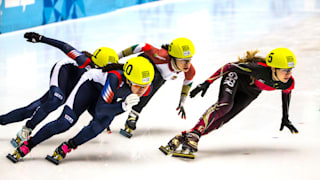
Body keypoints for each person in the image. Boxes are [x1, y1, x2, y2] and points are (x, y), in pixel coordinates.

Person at [7, 56, 155, 165]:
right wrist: (122, 106)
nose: (141, 90)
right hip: (89, 87)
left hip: (106, 96)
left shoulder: (146, 88)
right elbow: (101, 108)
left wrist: (121, 107)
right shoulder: (115, 78)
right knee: (65, 122)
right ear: (128, 79)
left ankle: (67, 146)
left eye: (145, 86)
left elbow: (103, 114)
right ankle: (29, 145)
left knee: (100, 125)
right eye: (137, 86)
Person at [159, 48, 299, 159]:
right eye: (285, 70)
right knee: (224, 106)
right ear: (273, 68)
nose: (288, 73)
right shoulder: (258, 69)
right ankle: (194, 135)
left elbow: (286, 96)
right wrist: (207, 83)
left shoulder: (289, 83)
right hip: (236, 77)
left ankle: (185, 136)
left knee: (224, 118)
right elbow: (229, 66)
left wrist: (285, 117)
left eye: (290, 70)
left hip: (250, 92)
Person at [0, 32, 118, 147]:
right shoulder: (84, 61)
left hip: (72, 87)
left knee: (33, 108)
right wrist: (41, 38)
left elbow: (92, 102)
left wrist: (101, 118)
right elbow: (64, 46)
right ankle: (28, 127)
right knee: (56, 100)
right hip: (64, 72)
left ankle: (2, 120)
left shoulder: (110, 78)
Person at [118, 37, 196, 138]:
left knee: (156, 82)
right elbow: (142, 46)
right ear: (173, 57)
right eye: (183, 61)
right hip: (142, 65)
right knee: (154, 80)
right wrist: (117, 56)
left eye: (189, 60)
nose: (187, 64)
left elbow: (187, 82)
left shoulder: (190, 71)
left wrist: (182, 101)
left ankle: (133, 115)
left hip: (157, 76)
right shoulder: (160, 56)